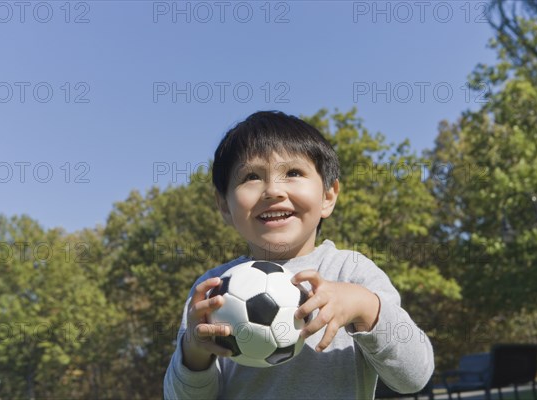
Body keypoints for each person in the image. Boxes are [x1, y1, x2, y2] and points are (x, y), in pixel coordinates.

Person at [163, 111, 434, 399]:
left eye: (293, 173)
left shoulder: (352, 271)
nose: (273, 191)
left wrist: (365, 306)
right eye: (251, 176)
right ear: (225, 207)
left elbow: (414, 377)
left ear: (328, 196)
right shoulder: (213, 288)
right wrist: (194, 351)